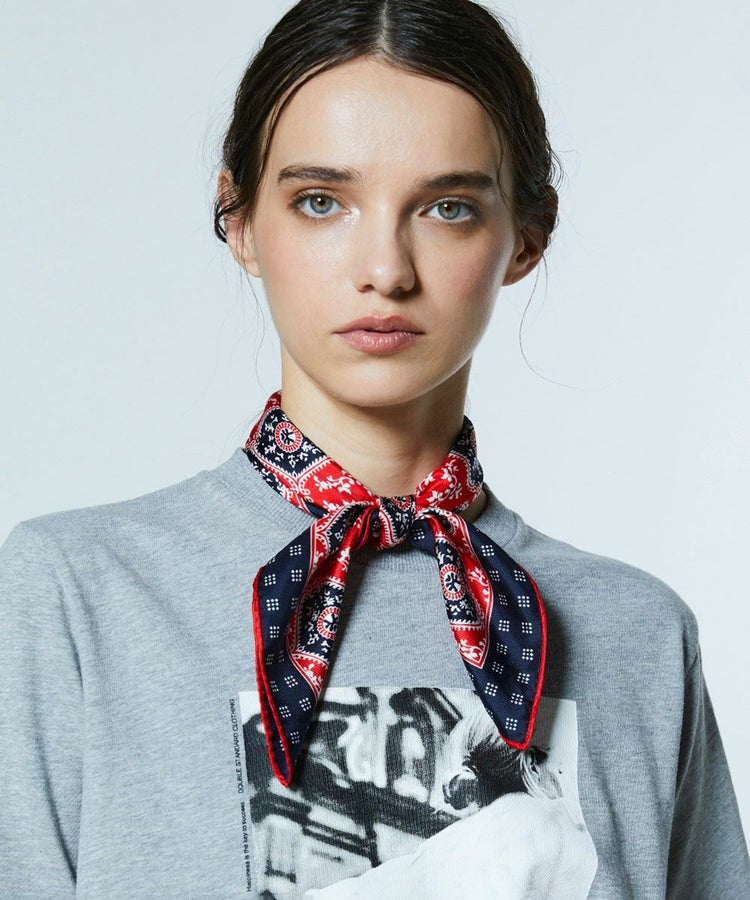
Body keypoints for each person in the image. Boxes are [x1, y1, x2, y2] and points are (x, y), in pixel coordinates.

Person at [1, 0, 747, 897]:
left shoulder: (639, 635)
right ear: (240, 221)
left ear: (525, 239)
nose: (385, 270)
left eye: (447, 208)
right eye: (321, 202)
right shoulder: (75, 595)